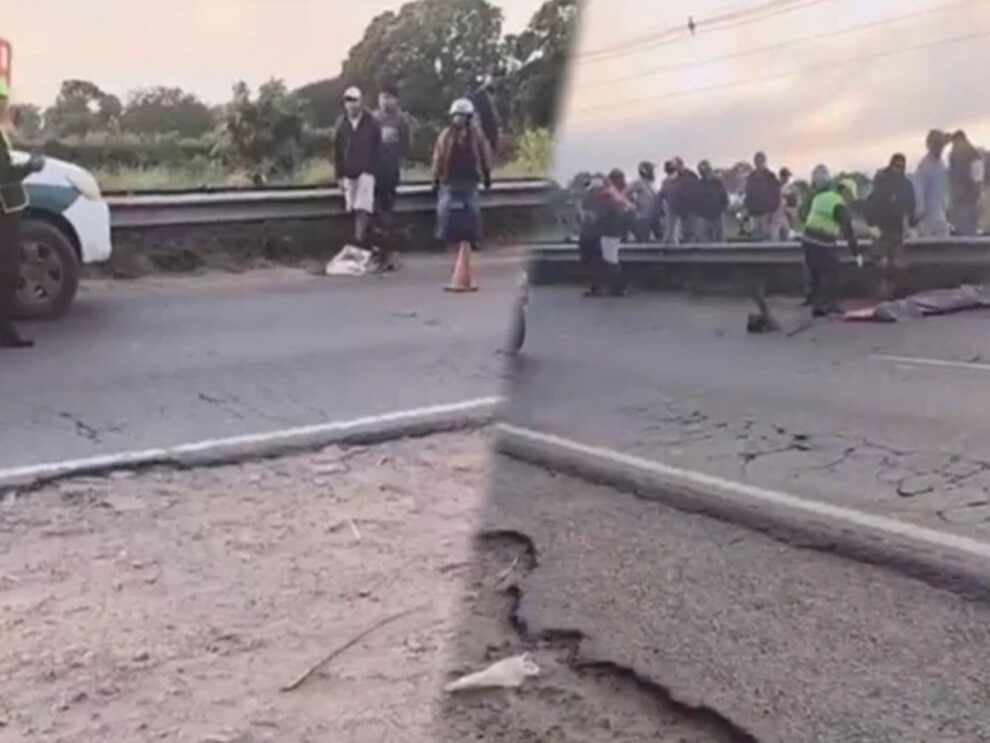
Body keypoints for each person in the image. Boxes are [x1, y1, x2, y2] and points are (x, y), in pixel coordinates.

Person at [0, 79, 45, 349]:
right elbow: (2, 174)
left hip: (8, 208)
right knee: (6, 273)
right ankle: (5, 333)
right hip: (4, 210)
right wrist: (31, 167)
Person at [432, 98, 492, 257]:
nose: (459, 119)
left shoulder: (476, 135)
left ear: (469, 117)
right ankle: (441, 239)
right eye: (456, 115)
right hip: (449, 179)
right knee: (443, 208)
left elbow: (484, 154)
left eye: (463, 116)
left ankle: (475, 239)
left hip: (469, 179)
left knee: (473, 209)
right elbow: (438, 156)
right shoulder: (445, 135)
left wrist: (487, 174)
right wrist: (435, 178)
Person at [801, 166, 860, 317]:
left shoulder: (820, 197)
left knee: (816, 272)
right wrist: (855, 251)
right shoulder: (836, 201)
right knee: (832, 271)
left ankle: (814, 301)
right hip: (820, 240)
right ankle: (827, 305)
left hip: (808, 239)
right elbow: (847, 227)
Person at [333, 87, 382, 251]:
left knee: (363, 206)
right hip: (349, 171)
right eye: (348, 101)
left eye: (354, 100)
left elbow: (378, 147)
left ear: (361, 102)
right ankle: (363, 237)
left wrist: (375, 168)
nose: (351, 104)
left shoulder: (371, 122)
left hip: (367, 170)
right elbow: (337, 151)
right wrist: (339, 175)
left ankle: (359, 239)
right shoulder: (342, 124)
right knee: (352, 206)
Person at [865, 153, 917, 300]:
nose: (898, 170)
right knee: (882, 260)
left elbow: (910, 205)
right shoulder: (883, 180)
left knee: (893, 262)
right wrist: (872, 224)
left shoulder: (902, 183)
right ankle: (884, 290)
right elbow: (871, 202)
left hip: (893, 227)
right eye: (897, 166)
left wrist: (912, 225)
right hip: (883, 226)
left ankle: (889, 290)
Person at [372, 80, 411, 271]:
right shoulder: (372, 120)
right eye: (382, 98)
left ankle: (388, 250)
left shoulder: (400, 121)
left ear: (395, 100)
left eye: (389, 98)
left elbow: (405, 146)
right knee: (374, 210)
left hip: (390, 171)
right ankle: (378, 249)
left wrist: (400, 164)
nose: (385, 102)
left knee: (387, 210)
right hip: (373, 171)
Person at [914, 130, 950, 238]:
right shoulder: (925, 166)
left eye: (941, 144)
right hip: (927, 218)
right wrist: (920, 211)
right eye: (937, 144)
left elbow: (943, 189)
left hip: (940, 214)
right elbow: (919, 190)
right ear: (930, 145)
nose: (940, 148)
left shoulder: (941, 164)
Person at [948, 130, 984, 236]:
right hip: (968, 200)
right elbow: (978, 178)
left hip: (965, 200)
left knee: (965, 230)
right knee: (969, 230)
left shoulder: (960, 155)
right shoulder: (974, 155)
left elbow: (977, 180)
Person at [745, 151, 782, 240]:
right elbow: (748, 194)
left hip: (768, 215)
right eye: (757, 162)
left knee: (769, 238)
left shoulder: (771, 177)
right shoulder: (751, 177)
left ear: (764, 162)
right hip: (754, 215)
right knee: (756, 239)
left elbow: (777, 195)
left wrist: (772, 211)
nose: (759, 164)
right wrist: (749, 209)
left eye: (761, 161)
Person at [469, 67, 504, 158]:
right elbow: (475, 116)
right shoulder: (477, 95)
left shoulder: (500, 93)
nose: (496, 80)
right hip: (483, 133)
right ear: (486, 78)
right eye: (493, 77)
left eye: (498, 78)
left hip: (495, 132)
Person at [693, 160, 729, 242]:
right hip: (704, 216)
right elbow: (695, 199)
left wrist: (723, 209)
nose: (707, 173)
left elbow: (724, 197)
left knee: (719, 238)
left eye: (708, 170)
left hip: (717, 215)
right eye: (704, 172)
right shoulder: (699, 184)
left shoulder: (718, 183)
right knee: (703, 237)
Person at [627, 161, 659, 242]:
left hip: (653, 217)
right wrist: (634, 204)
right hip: (643, 218)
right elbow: (625, 193)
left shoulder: (651, 184)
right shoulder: (638, 183)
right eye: (651, 170)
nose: (653, 172)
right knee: (644, 241)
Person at [773, 167, 799, 240]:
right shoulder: (775, 186)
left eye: (787, 177)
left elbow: (793, 203)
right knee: (775, 237)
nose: (787, 179)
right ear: (781, 177)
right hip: (775, 217)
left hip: (784, 216)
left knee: (786, 235)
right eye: (786, 177)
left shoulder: (788, 188)